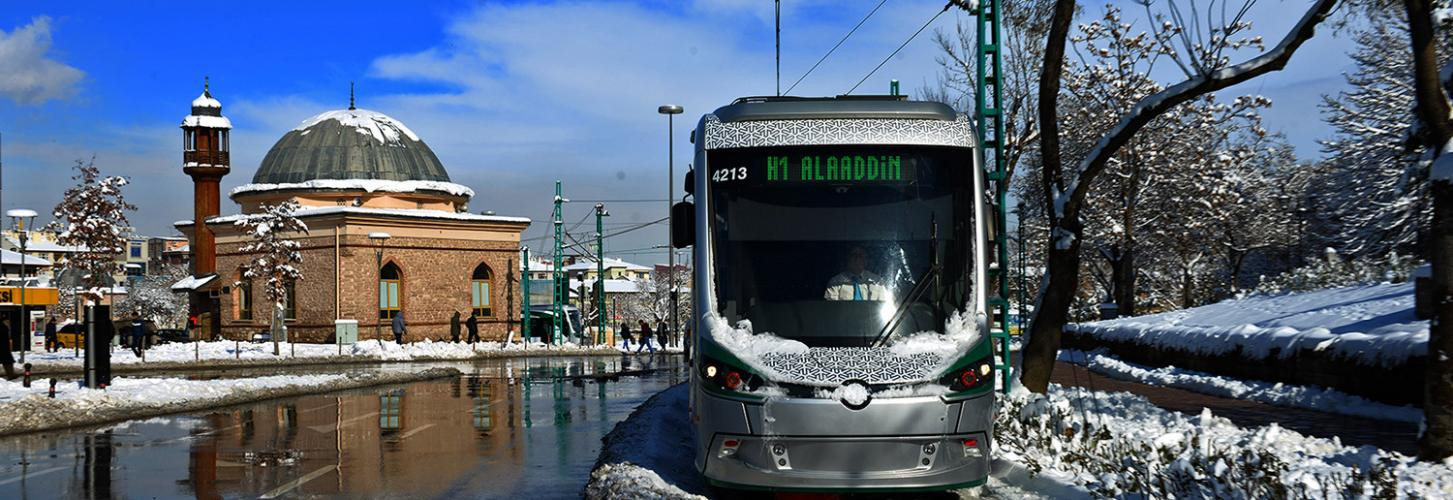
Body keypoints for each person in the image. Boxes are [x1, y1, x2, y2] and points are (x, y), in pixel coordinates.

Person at [824, 246, 891, 301]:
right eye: (854, 255)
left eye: (860, 256)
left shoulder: (877, 281)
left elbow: (883, 303)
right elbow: (832, 307)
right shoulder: (835, 282)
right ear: (848, 259)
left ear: (866, 260)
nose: (857, 259)